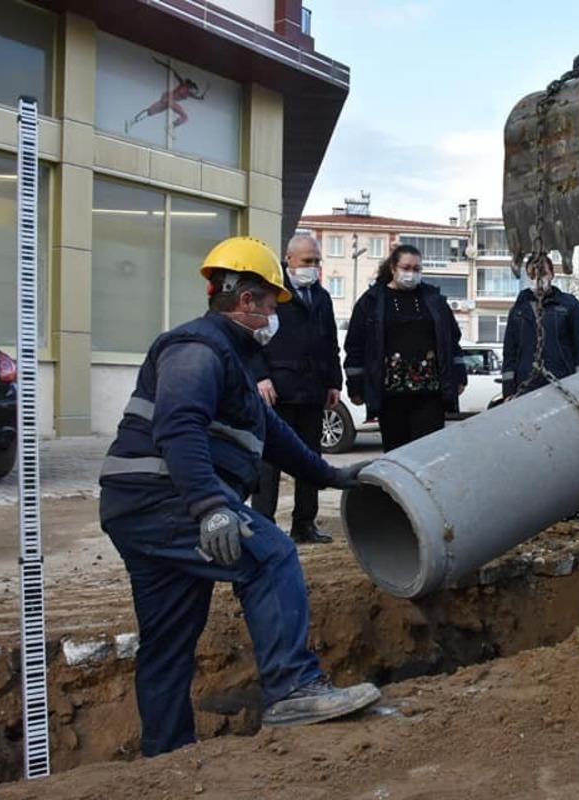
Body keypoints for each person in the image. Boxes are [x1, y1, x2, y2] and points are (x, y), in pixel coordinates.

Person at [98, 236, 379, 757]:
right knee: (271, 557)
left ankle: (166, 756)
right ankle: (294, 687)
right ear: (247, 301)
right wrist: (210, 509)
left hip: (138, 508)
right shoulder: (198, 349)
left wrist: (334, 477)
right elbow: (180, 426)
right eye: (272, 303)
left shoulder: (232, 360)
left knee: (169, 640)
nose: (277, 313)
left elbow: (273, 435)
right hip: (166, 500)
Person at [250, 233, 342, 544]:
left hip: (313, 391)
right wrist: (260, 376)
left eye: (317, 262)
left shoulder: (322, 297)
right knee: (269, 463)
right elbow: (253, 339)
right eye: (307, 261)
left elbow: (331, 342)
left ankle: (304, 524)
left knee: (309, 460)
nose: (313, 267)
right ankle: (262, 525)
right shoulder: (270, 293)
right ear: (289, 259)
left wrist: (334, 382)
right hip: (277, 391)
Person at [344, 244, 467, 451]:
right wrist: (355, 385)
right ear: (393, 268)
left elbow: (451, 340)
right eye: (406, 267)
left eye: (417, 269)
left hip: (429, 393)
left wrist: (459, 375)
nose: (411, 273)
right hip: (390, 395)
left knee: (427, 451)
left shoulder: (434, 300)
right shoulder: (372, 301)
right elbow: (356, 344)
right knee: (396, 451)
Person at [501, 263, 579, 397]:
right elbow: (509, 351)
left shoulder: (570, 306)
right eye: (532, 274)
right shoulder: (518, 310)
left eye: (542, 273)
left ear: (551, 275)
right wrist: (508, 388)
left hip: (561, 381)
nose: (538, 278)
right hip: (526, 383)